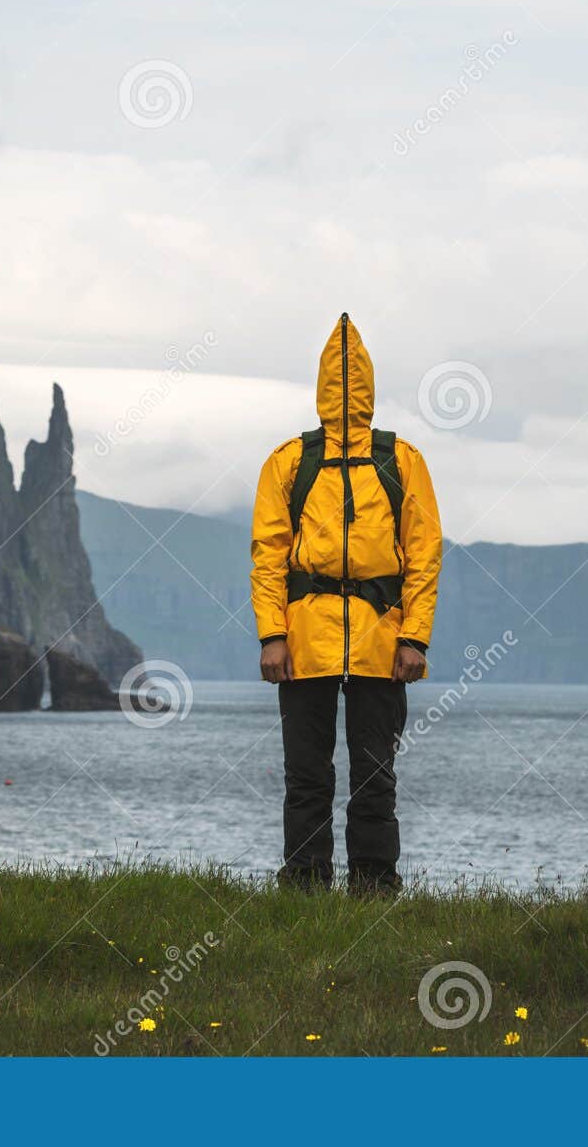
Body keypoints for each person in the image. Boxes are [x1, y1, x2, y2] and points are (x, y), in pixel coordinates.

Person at [249, 313, 442, 895]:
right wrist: (271, 635)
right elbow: (268, 555)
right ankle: (305, 885)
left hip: (382, 640)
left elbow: (424, 552)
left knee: (375, 775)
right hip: (305, 639)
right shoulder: (288, 461)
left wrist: (414, 638)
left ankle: (375, 885)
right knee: (306, 775)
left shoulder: (402, 460)